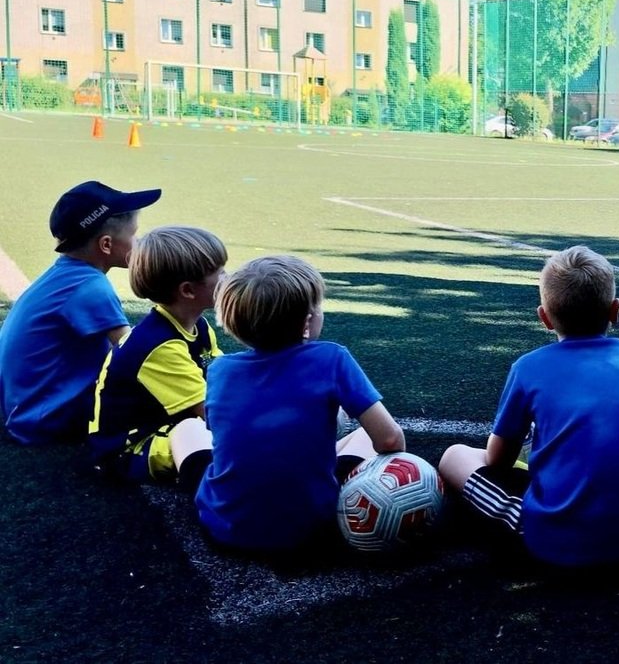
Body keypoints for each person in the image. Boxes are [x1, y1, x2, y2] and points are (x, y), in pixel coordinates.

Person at [439, 246, 619, 567]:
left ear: (544, 317)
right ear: (615, 311)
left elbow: (497, 460)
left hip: (557, 544)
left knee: (454, 457)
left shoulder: (528, 368)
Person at [193, 255, 406, 553]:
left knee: (191, 433)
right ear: (307, 321)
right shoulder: (331, 358)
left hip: (225, 526)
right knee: (360, 438)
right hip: (312, 530)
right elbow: (390, 439)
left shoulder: (220, 369)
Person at [0, 180, 161, 445]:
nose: (140, 241)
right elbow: (136, 354)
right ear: (106, 245)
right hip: (46, 419)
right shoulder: (90, 286)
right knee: (162, 397)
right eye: (135, 235)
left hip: (27, 409)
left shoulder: (67, 275)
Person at [88, 226, 226, 488]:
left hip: (169, 422)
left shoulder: (199, 326)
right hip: (130, 448)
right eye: (220, 273)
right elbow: (212, 413)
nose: (227, 278)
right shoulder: (160, 346)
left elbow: (223, 377)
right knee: (204, 433)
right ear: (187, 290)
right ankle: (217, 488)